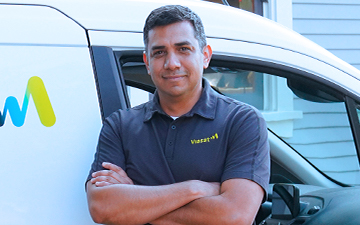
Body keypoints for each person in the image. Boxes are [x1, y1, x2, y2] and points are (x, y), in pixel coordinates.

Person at [86, 4, 270, 225]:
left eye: (183, 49)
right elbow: (102, 208)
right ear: (147, 62)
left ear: (205, 56)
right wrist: (195, 189)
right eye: (159, 52)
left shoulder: (241, 121)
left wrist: (134, 196)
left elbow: (234, 216)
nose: (171, 64)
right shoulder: (120, 125)